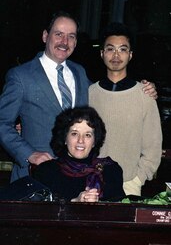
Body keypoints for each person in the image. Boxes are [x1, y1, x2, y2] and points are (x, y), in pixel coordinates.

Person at [0, 11, 157, 183]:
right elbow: (2, 123)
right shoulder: (21, 76)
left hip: (76, 180)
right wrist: (28, 154)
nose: (64, 42)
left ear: (75, 42)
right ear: (45, 36)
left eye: (71, 36)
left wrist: (146, 89)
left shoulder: (79, 73)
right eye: (58, 34)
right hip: (35, 176)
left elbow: (109, 96)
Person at [89, 22, 162, 196]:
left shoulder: (145, 95)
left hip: (128, 184)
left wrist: (138, 179)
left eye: (122, 49)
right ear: (102, 53)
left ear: (130, 55)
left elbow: (153, 146)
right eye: (110, 49)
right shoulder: (89, 93)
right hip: (90, 182)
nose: (116, 55)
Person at [32, 106, 126, 202]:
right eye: (74, 134)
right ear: (65, 138)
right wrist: (75, 202)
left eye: (87, 135)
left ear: (94, 142)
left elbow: (120, 212)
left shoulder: (110, 170)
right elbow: (43, 213)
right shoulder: (47, 171)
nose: (80, 140)